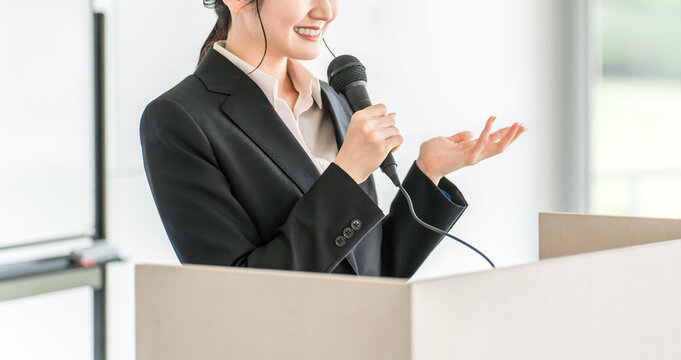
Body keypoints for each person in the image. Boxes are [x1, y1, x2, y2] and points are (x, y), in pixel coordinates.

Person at [139, 0, 526, 278]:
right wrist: (348, 173)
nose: (327, 10)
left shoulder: (334, 101)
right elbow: (240, 294)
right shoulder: (178, 120)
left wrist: (428, 173)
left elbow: (373, 275)